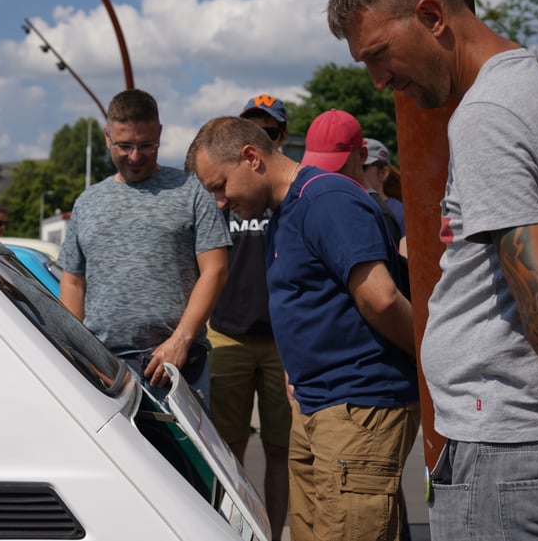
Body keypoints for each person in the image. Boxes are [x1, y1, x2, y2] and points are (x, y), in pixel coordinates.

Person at [328, 0, 538, 539]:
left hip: (510, 454)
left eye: (378, 54)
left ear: (431, 16)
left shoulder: (487, 116)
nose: (378, 80)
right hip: (528, 450)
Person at [185, 111, 419, 541]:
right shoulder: (285, 211)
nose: (219, 201)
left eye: (220, 186)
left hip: (357, 405)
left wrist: (427, 358)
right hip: (317, 405)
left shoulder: (325, 199)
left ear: (251, 157)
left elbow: (381, 298)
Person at [58, 89, 230, 405]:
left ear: (159, 134)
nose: (135, 156)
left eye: (146, 145)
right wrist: (76, 349)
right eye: (124, 145)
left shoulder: (193, 191)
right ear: (107, 136)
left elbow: (215, 269)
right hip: (104, 371)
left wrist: (181, 339)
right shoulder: (87, 202)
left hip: (176, 368)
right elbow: (73, 281)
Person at [208, 94, 292, 541]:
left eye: (269, 131)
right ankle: (235, 534)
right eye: (253, 130)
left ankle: (274, 534)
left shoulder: (286, 189)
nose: (261, 137)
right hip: (229, 333)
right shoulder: (224, 193)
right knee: (228, 450)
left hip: (282, 340)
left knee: (282, 450)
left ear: (282, 137)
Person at [362, 138, 407, 256]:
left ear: (383, 173)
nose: (355, 171)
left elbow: (405, 260)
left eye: (363, 167)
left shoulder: (399, 212)